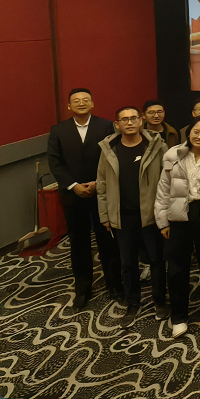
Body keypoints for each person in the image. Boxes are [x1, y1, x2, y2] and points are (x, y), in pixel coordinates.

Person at [47, 88, 122, 310]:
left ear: (92, 103)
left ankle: (114, 285)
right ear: (69, 106)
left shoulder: (105, 126)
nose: (81, 103)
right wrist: (74, 186)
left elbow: (113, 156)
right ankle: (83, 289)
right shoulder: (58, 130)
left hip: (101, 191)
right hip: (73, 194)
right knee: (78, 244)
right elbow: (55, 162)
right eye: (76, 101)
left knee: (108, 241)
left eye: (86, 100)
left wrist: (98, 183)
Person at [96, 106, 169, 329]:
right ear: (116, 124)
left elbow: (168, 180)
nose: (129, 123)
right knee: (128, 263)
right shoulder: (109, 149)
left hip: (151, 215)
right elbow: (102, 184)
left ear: (141, 120)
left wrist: (165, 213)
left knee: (156, 260)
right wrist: (105, 215)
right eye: (124, 119)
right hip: (122, 216)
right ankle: (133, 302)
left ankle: (160, 301)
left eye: (133, 118)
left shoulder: (156, 146)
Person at [154, 116, 200, 337]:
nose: (199, 137)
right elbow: (163, 190)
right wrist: (162, 221)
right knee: (177, 268)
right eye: (196, 132)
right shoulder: (172, 155)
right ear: (189, 132)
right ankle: (178, 316)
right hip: (178, 216)